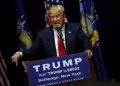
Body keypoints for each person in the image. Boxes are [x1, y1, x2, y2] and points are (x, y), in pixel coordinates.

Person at [11, 5, 94, 85]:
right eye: (52, 17)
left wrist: (87, 49)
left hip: (75, 74)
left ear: (63, 16)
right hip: (54, 76)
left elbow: (84, 40)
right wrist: (20, 53)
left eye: (57, 16)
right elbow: (34, 51)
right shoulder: (42, 35)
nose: (55, 19)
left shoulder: (75, 28)